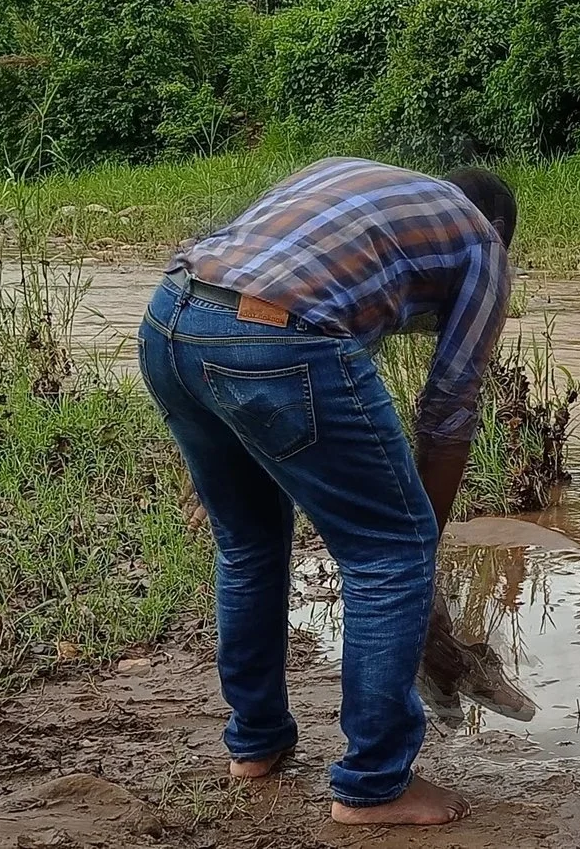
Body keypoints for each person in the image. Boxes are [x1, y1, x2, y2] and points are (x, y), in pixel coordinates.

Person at [137, 157, 514, 828]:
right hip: (275, 336)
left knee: (248, 542)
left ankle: (254, 743)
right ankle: (373, 784)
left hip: (170, 314)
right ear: (498, 227)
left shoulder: (351, 181)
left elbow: (229, 295)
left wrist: (214, 450)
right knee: (388, 554)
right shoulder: (482, 243)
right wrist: (417, 550)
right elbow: (449, 405)